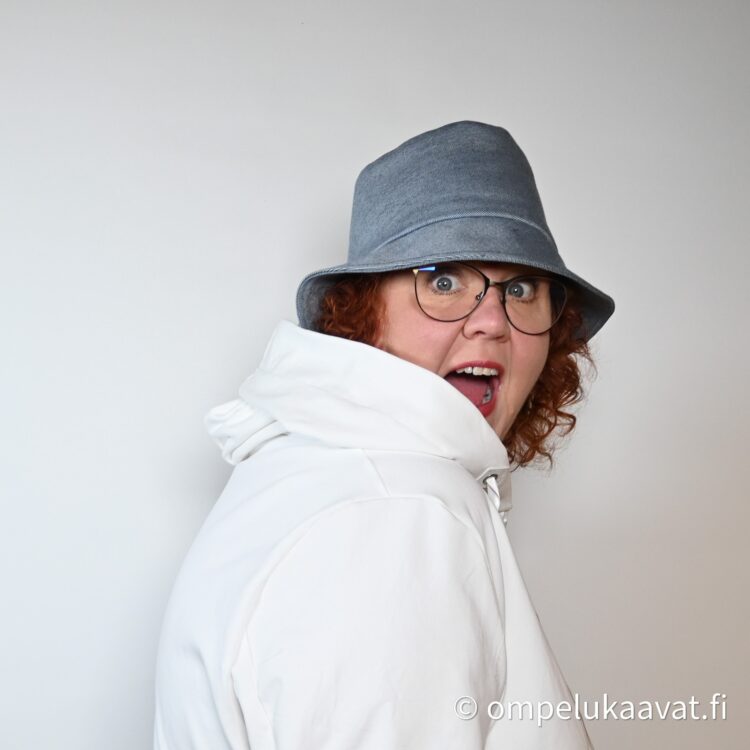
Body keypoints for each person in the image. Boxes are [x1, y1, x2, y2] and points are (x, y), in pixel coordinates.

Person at [153, 120, 615, 749]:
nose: (491, 321)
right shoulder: (402, 510)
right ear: (361, 312)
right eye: (443, 279)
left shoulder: (321, 473)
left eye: (522, 288)